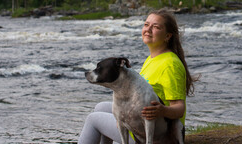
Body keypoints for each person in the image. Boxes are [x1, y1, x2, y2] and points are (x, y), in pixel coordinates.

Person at [78, 9, 197, 144]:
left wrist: (161, 110)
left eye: (156, 27)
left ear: (167, 36)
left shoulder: (170, 64)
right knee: (101, 107)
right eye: (146, 25)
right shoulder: (153, 59)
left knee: (93, 119)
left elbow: (179, 109)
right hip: (142, 123)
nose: (148, 29)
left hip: (158, 136)